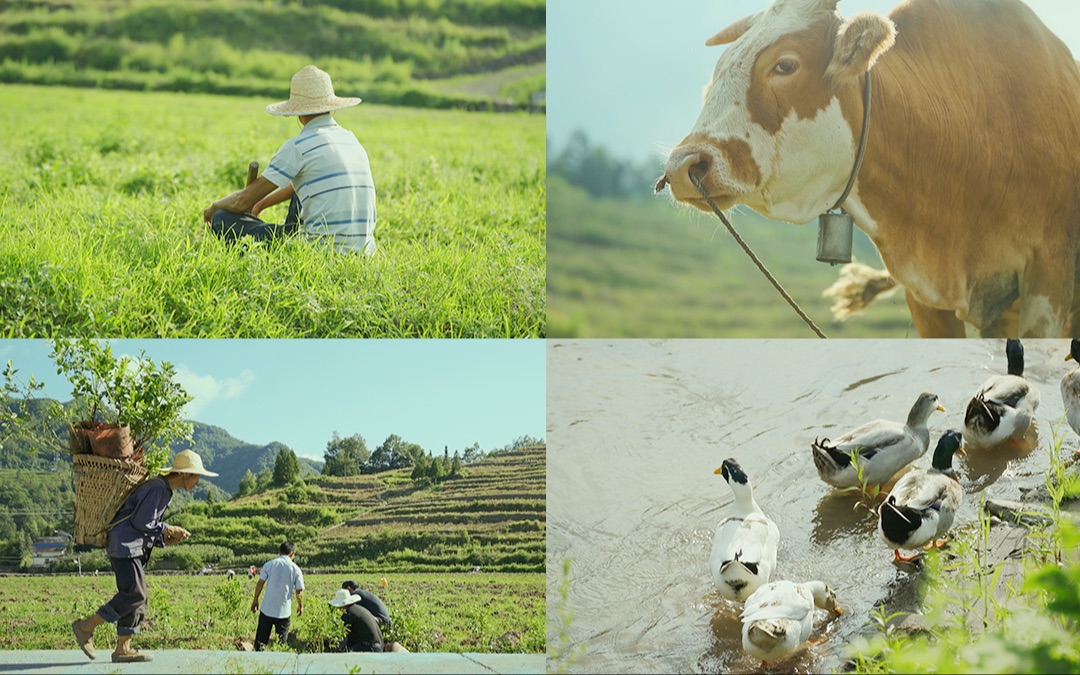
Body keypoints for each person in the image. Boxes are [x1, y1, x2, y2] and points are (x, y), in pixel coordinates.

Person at [204, 64, 378, 254]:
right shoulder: (351, 140)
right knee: (303, 183)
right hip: (364, 252)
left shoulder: (299, 146)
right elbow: (304, 183)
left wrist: (214, 207)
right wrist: (261, 203)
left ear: (298, 111)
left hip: (319, 252)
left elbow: (241, 202)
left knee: (222, 218)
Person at [71, 450, 218, 663]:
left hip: (132, 546)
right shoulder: (157, 488)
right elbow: (141, 522)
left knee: (138, 596)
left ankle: (123, 648)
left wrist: (164, 537)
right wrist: (167, 529)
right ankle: (86, 626)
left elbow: (145, 525)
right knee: (135, 594)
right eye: (197, 476)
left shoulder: (164, 490)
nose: (198, 482)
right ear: (185, 474)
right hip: (124, 546)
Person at [250, 541, 305, 650]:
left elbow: (260, 583)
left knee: (260, 643)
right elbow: (299, 590)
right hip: (283, 612)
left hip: (267, 609)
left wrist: (255, 600)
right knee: (281, 645)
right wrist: (300, 605)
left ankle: (257, 660)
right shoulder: (295, 569)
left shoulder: (269, 564)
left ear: (279, 552)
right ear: (292, 553)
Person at [328, 589, 409, 653]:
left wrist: (337, 651)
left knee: (345, 654)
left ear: (342, 605)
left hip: (370, 647)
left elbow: (346, 638)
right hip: (378, 646)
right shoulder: (357, 609)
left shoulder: (348, 614)